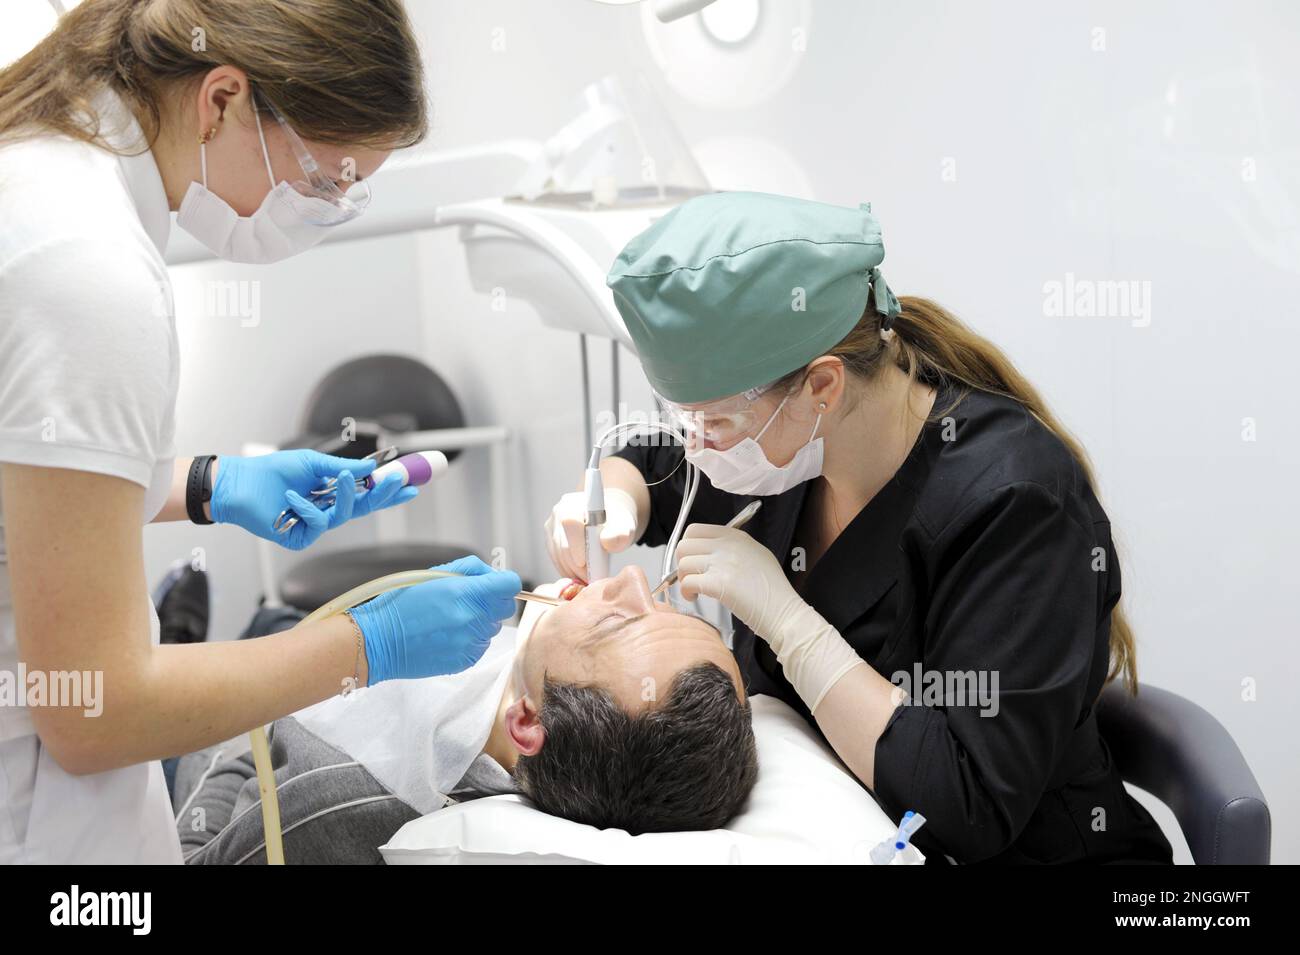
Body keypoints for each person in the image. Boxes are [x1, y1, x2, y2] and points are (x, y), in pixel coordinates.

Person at [0, 0, 520, 864]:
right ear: (223, 99)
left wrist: (205, 485)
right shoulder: (86, 268)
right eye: (325, 182)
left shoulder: (40, 174)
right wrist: (367, 645)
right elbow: (95, 710)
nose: (328, 209)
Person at [547, 191, 1174, 864]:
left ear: (822, 385)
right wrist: (619, 496)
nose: (697, 445)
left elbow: (971, 804)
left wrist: (793, 629)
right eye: (686, 415)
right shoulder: (787, 446)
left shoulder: (1015, 503)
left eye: (716, 422)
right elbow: (656, 462)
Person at [175, 566, 758, 863]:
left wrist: (216, 712)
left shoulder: (349, 803)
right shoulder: (515, 687)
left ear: (528, 723)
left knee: (203, 648)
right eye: (659, 601)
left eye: (617, 620)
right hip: (275, 687)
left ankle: (182, 637)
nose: (630, 578)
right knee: (272, 625)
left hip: (222, 753)